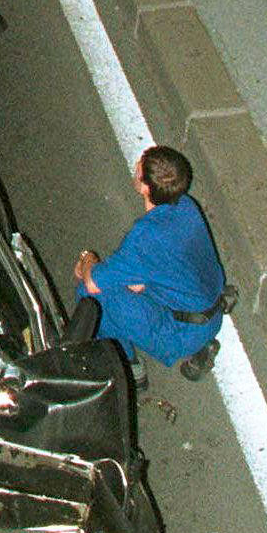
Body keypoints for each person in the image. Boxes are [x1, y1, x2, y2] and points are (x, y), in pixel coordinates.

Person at [74, 146, 228, 385]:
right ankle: (200, 344)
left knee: (90, 297)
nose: (136, 164)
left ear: (145, 187)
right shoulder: (186, 205)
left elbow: (93, 282)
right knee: (132, 283)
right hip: (209, 311)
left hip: (182, 333)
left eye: (140, 166)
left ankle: (130, 368)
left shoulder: (145, 239)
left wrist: (87, 259)